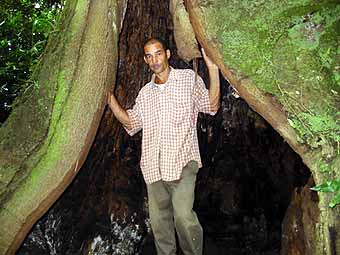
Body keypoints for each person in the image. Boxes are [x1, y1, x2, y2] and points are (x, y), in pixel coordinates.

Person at [107, 38, 220, 255]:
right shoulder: (145, 93)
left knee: (184, 216)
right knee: (160, 226)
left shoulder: (188, 80)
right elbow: (132, 123)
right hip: (153, 167)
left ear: (167, 54)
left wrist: (213, 70)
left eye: (158, 53)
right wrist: (110, 100)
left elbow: (211, 106)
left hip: (182, 163)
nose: (154, 60)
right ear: (145, 60)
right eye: (149, 56)